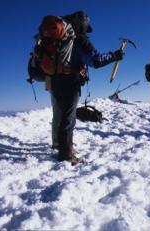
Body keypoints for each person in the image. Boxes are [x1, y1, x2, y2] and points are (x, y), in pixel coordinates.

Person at [40, 11, 124, 165]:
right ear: (82, 24)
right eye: (86, 26)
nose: (86, 30)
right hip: (70, 83)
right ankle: (66, 155)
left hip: (54, 81)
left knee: (60, 115)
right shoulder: (78, 40)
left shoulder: (59, 38)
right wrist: (114, 56)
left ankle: (60, 145)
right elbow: (96, 60)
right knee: (68, 119)